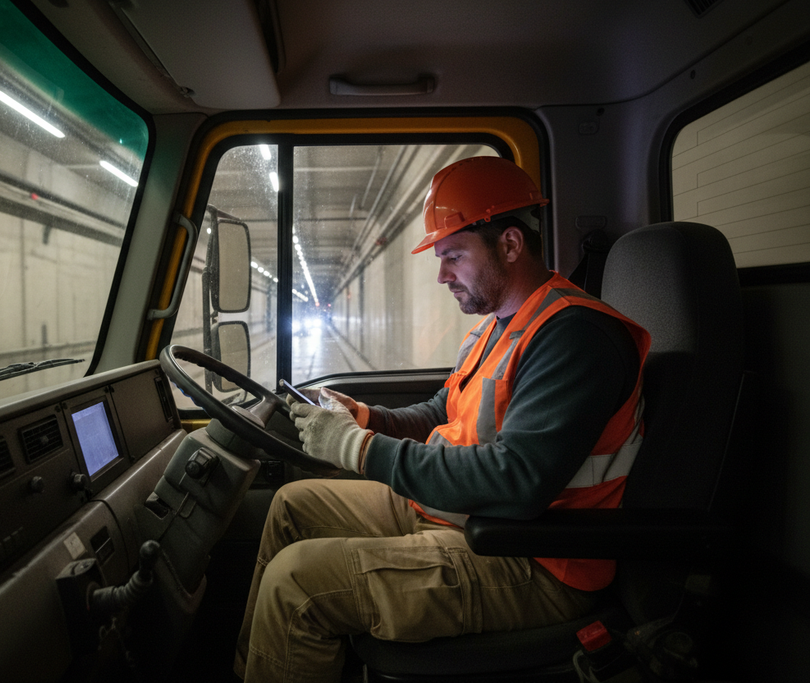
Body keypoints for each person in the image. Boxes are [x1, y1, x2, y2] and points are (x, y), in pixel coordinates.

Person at [234, 156, 651, 683]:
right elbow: (441, 412)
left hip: (535, 558)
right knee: (291, 505)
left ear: (510, 244)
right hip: (463, 515)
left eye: (453, 256)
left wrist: (356, 448)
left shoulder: (574, 337)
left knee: (297, 584)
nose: (441, 275)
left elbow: (518, 481)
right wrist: (362, 415)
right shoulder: (497, 326)